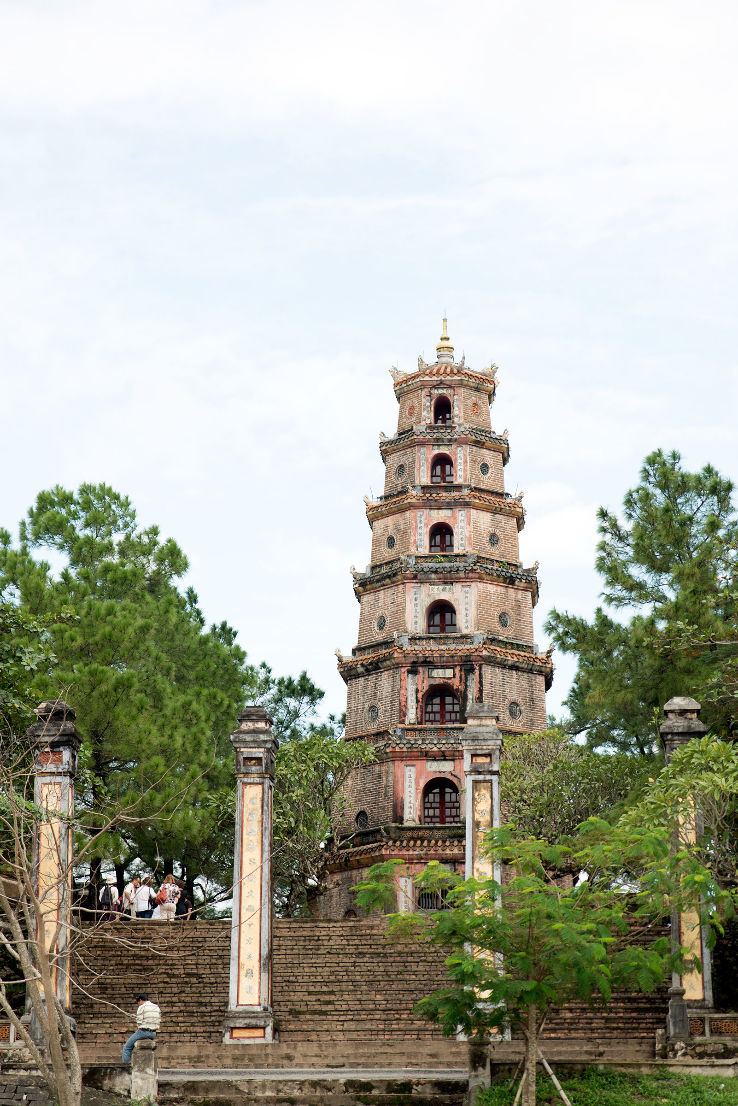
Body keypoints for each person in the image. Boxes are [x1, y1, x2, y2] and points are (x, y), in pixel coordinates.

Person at [121, 993, 161, 1064]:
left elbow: (139, 1023)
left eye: (138, 1002)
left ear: (140, 1000)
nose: (138, 1004)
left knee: (127, 1048)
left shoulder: (142, 1007)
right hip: (153, 1033)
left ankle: (126, 1068)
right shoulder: (156, 1007)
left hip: (143, 1032)